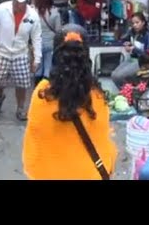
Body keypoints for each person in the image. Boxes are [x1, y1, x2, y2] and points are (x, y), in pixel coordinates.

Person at [22, 31, 117, 180]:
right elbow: (104, 143)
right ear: (86, 57)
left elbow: (33, 143)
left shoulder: (41, 94)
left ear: (55, 56)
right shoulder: (97, 95)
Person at [0, 0, 42, 121]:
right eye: (15, 0)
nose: (16, 3)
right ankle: (0, 96)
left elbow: (36, 37)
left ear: (26, 2)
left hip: (20, 53)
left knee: (22, 83)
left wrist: (37, 58)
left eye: (20, 1)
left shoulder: (33, 16)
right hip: (1, 52)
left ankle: (20, 108)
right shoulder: (1, 10)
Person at [111, 12, 149, 89]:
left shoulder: (148, 35)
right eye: (133, 23)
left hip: (141, 62)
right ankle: (127, 92)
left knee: (118, 76)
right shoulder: (132, 31)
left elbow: (147, 54)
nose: (135, 25)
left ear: (143, 23)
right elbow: (122, 39)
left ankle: (128, 93)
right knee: (114, 75)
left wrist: (134, 49)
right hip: (131, 59)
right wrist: (126, 44)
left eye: (137, 23)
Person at [33, 0, 62, 85]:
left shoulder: (33, 12)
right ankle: (46, 89)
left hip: (37, 43)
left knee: (38, 69)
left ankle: (37, 90)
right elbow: (58, 31)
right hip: (50, 44)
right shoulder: (54, 13)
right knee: (48, 68)